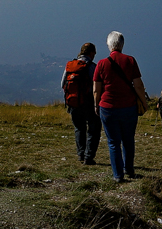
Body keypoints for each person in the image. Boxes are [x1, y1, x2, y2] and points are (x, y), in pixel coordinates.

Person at [94, 31, 147, 183]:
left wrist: (96, 105)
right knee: (128, 139)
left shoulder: (102, 64)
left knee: (113, 142)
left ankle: (118, 175)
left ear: (109, 45)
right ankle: (129, 169)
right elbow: (138, 85)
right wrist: (144, 103)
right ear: (122, 45)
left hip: (107, 107)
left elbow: (96, 89)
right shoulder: (130, 61)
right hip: (128, 107)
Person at [62, 43, 101, 165]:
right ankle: (88, 157)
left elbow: (63, 84)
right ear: (91, 53)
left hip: (73, 103)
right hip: (88, 102)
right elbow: (96, 87)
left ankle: (80, 154)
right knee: (93, 129)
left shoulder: (70, 66)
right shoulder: (92, 67)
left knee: (79, 128)